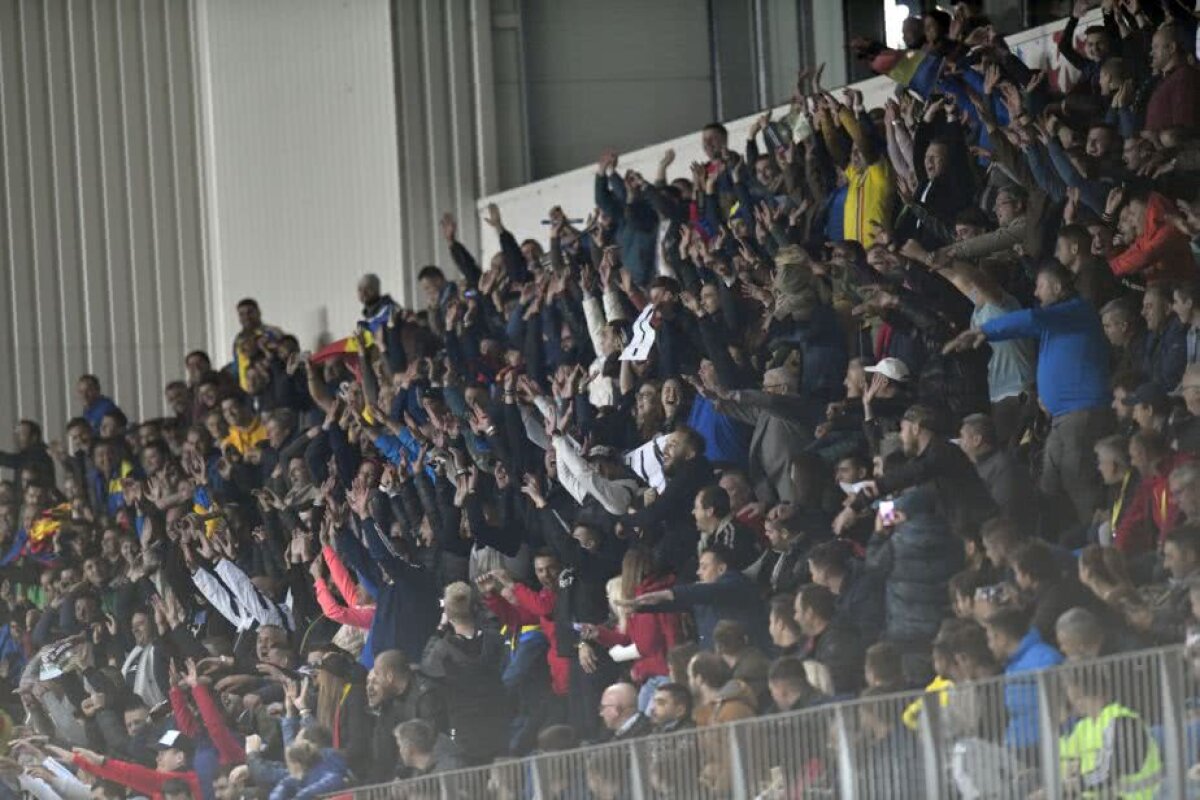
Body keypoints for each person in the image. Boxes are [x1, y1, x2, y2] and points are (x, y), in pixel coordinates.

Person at [949, 262, 1112, 528]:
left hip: (1082, 414)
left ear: (1057, 287)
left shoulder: (1076, 310)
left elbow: (1031, 319)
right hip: (1061, 418)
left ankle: (1097, 549)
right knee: (1048, 486)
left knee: (1080, 484)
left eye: (1040, 286)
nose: (1035, 293)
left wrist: (984, 330)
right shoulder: (1058, 319)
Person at [627, 546, 769, 652]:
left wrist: (668, 593)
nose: (698, 572)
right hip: (714, 664)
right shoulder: (701, 593)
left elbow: (709, 592)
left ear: (721, 569)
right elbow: (677, 602)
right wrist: (640, 607)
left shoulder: (736, 583)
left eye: (704, 567)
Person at [982, 608, 1064, 750]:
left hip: (1043, 746)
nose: (989, 646)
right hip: (1017, 746)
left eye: (990, 639)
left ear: (1002, 638)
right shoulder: (1011, 664)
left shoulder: (1045, 657)